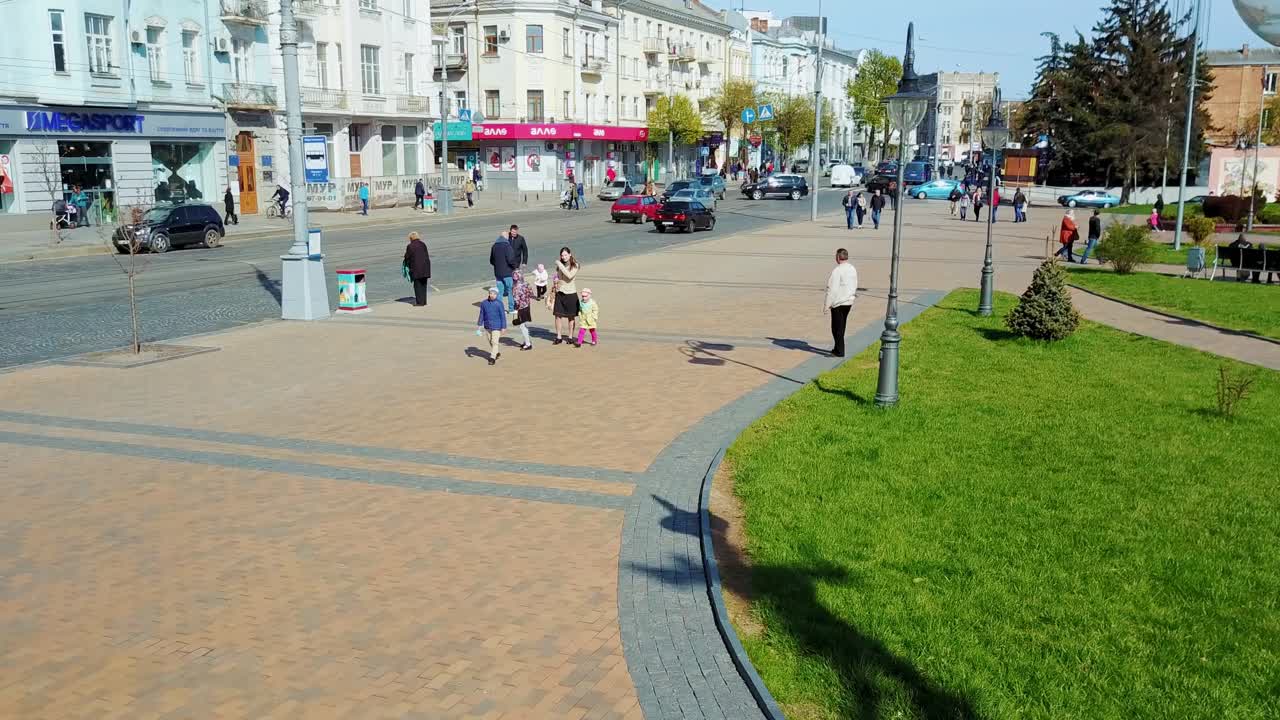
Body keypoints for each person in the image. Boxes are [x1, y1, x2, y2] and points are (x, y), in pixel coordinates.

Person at [824, 247, 858, 358]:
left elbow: (832, 289)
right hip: (848, 302)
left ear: (838, 257)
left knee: (836, 328)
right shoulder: (852, 268)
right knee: (842, 326)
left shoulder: (837, 270)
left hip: (838, 303)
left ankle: (839, 351)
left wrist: (826, 305)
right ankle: (838, 347)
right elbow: (855, 283)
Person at [552, 246, 580, 345]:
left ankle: (570, 337)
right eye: (562, 255)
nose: (563, 257)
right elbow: (558, 276)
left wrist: (559, 264)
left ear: (570, 254)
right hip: (560, 293)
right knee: (557, 315)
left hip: (571, 293)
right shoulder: (560, 265)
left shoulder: (575, 265)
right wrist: (555, 283)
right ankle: (558, 336)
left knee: (571, 317)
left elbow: (569, 276)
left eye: (565, 255)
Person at [476, 287, 507, 365]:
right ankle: (496, 352)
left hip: (497, 326)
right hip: (487, 326)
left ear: (497, 295)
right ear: (489, 294)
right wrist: (479, 326)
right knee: (491, 341)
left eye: (494, 294)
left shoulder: (499, 303)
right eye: (491, 293)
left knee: (495, 342)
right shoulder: (484, 303)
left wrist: (503, 327)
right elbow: (482, 314)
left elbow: (502, 316)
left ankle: (492, 358)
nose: (492, 295)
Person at [489, 230, 517, 312]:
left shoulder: (494, 246)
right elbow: (511, 260)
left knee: (499, 292)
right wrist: (515, 267)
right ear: (506, 237)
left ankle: (499, 309)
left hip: (498, 273)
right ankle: (511, 309)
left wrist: (497, 266)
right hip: (507, 273)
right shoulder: (507, 246)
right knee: (510, 291)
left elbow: (491, 260)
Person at [403, 231, 431, 306]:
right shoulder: (423, 244)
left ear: (411, 238)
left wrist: (406, 263)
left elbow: (407, 257)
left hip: (416, 269)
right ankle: (424, 301)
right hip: (425, 268)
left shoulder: (410, 246)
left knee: (417, 285)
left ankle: (419, 302)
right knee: (423, 285)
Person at [512, 269, 535, 350]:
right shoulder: (517, 285)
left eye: (516, 275)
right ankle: (526, 342)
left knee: (522, 326)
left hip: (523, 307)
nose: (515, 276)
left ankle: (528, 344)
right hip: (522, 306)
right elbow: (531, 294)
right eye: (514, 275)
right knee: (523, 325)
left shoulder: (519, 285)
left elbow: (530, 294)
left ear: (520, 276)